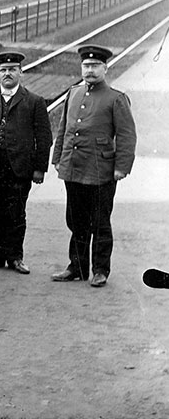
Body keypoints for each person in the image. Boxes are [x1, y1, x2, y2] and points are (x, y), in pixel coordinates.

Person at [51, 44, 136, 288]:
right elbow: (63, 129)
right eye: (86, 65)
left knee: (100, 222)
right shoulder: (74, 93)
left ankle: (100, 270)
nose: (90, 70)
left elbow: (127, 135)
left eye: (95, 66)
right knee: (75, 221)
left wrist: (121, 167)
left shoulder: (116, 98)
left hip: (101, 170)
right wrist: (57, 158)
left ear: (105, 68)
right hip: (73, 167)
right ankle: (76, 267)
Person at [0, 50, 52, 275]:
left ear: (21, 72)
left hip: (20, 167)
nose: (8, 74)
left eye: (12, 70)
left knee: (16, 213)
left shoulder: (34, 101)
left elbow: (44, 137)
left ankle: (15, 257)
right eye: (3, 70)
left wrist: (39, 168)